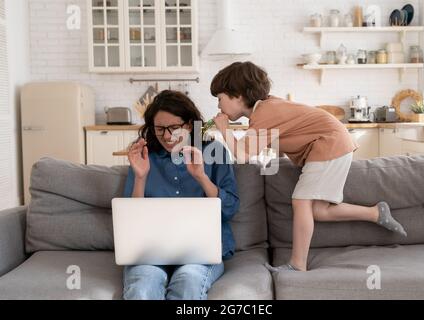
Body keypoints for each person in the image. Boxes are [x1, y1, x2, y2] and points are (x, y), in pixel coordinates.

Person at [210, 61, 407, 272]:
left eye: (220, 99)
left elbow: (242, 156)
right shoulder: (265, 110)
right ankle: (375, 213)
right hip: (332, 143)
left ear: (237, 96)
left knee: (301, 202)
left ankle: (297, 264)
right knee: (319, 211)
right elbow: (283, 136)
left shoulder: (264, 113)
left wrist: (224, 128)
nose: (218, 106)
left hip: (329, 144)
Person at [122, 90, 239, 299]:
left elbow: (229, 209)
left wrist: (202, 177)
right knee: (142, 288)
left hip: (200, 254)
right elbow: (132, 220)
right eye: (160, 129)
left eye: (174, 128)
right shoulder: (145, 158)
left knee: (188, 283)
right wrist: (140, 177)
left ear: (189, 124)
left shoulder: (214, 151)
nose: (167, 136)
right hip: (151, 252)